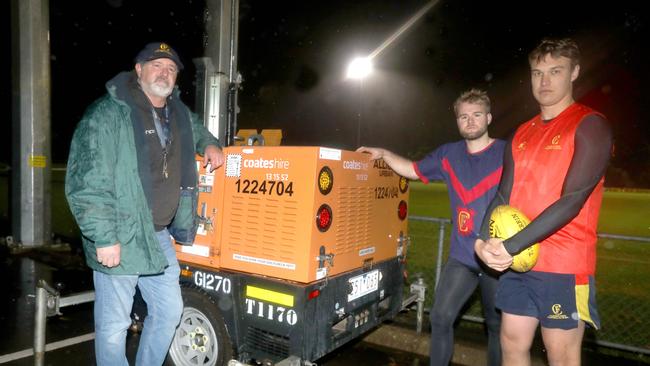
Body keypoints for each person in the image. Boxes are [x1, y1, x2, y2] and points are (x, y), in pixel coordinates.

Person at [65, 42, 224, 366]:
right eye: (156, 65)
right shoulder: (108, 113)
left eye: (171, 68)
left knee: (169, 311)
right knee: (114, 325)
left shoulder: (177, 112)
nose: (164, 73)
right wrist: (104, 237)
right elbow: (87, 182)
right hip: (120, 233)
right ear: (138, 70)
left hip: (158, 236)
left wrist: (210, 144)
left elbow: (197, 130)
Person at [474, 37, 613, 366]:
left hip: (564, 262)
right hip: (518, 261)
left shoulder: (591, 125)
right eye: (538, 73)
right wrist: (482, 242)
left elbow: (573, 200)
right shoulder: (521, 132)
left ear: (575, 72)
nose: (545, 81)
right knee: (511, 343)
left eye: (555, 71)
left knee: (561, 355)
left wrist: (510, 246)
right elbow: (502, 195)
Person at [357, 89, 504, 366]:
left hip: (498, 257)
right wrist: (385, 153)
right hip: (464, 256)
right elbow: (413, 170)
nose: (470, 121)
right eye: (464, 116)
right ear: (457, 121)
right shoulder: (449, 154)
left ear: (489, 117)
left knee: (497, 327)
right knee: (439, 316)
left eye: (476, 115)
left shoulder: (507, 153)